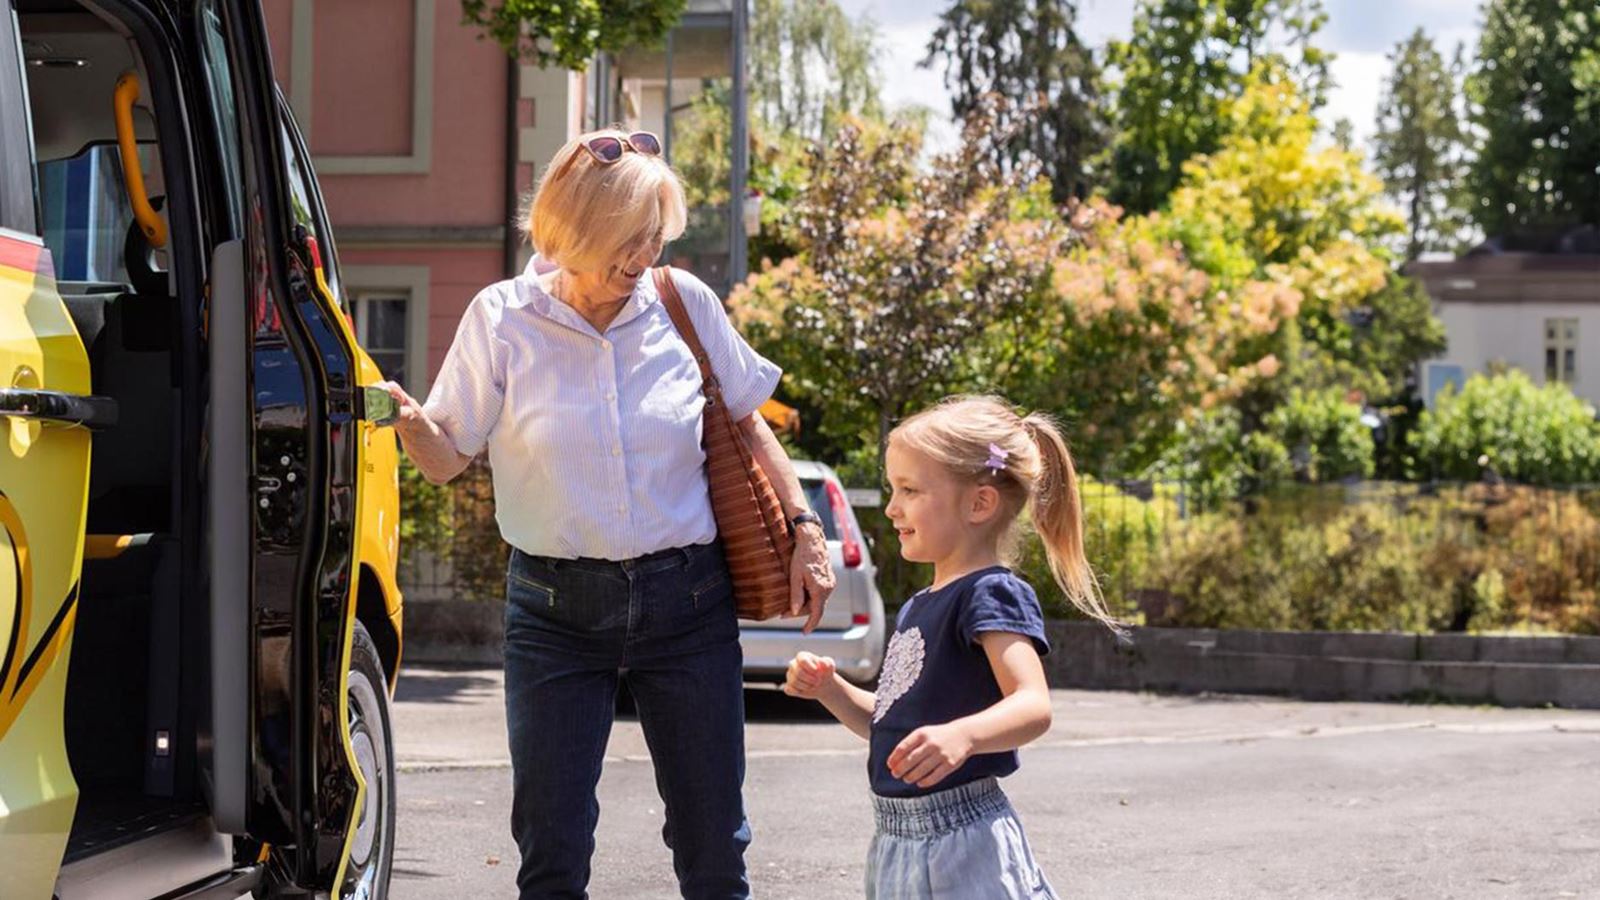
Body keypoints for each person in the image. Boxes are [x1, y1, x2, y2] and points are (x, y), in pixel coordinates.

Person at [380, 128, 836, 899]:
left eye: (656, 236)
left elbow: (751, 422)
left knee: (714, 845)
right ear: (573, 231)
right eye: (629, 238)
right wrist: (411, 424)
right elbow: (449, 457)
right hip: (555, 612)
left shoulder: (680, 302)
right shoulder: (502, 318)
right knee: (551, 851)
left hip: (688, 603)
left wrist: (806, 531)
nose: (644, 255)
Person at [783, 395, 1121, 899]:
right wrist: (830, 689)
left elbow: (1033, 705)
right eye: (892, 489)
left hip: (963, 844)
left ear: (979, 503)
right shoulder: (922, 604)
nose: (893, 507)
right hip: (896, 840)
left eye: (910, 490)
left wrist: (963, 736)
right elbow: (893, 727)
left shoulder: (990, 592)